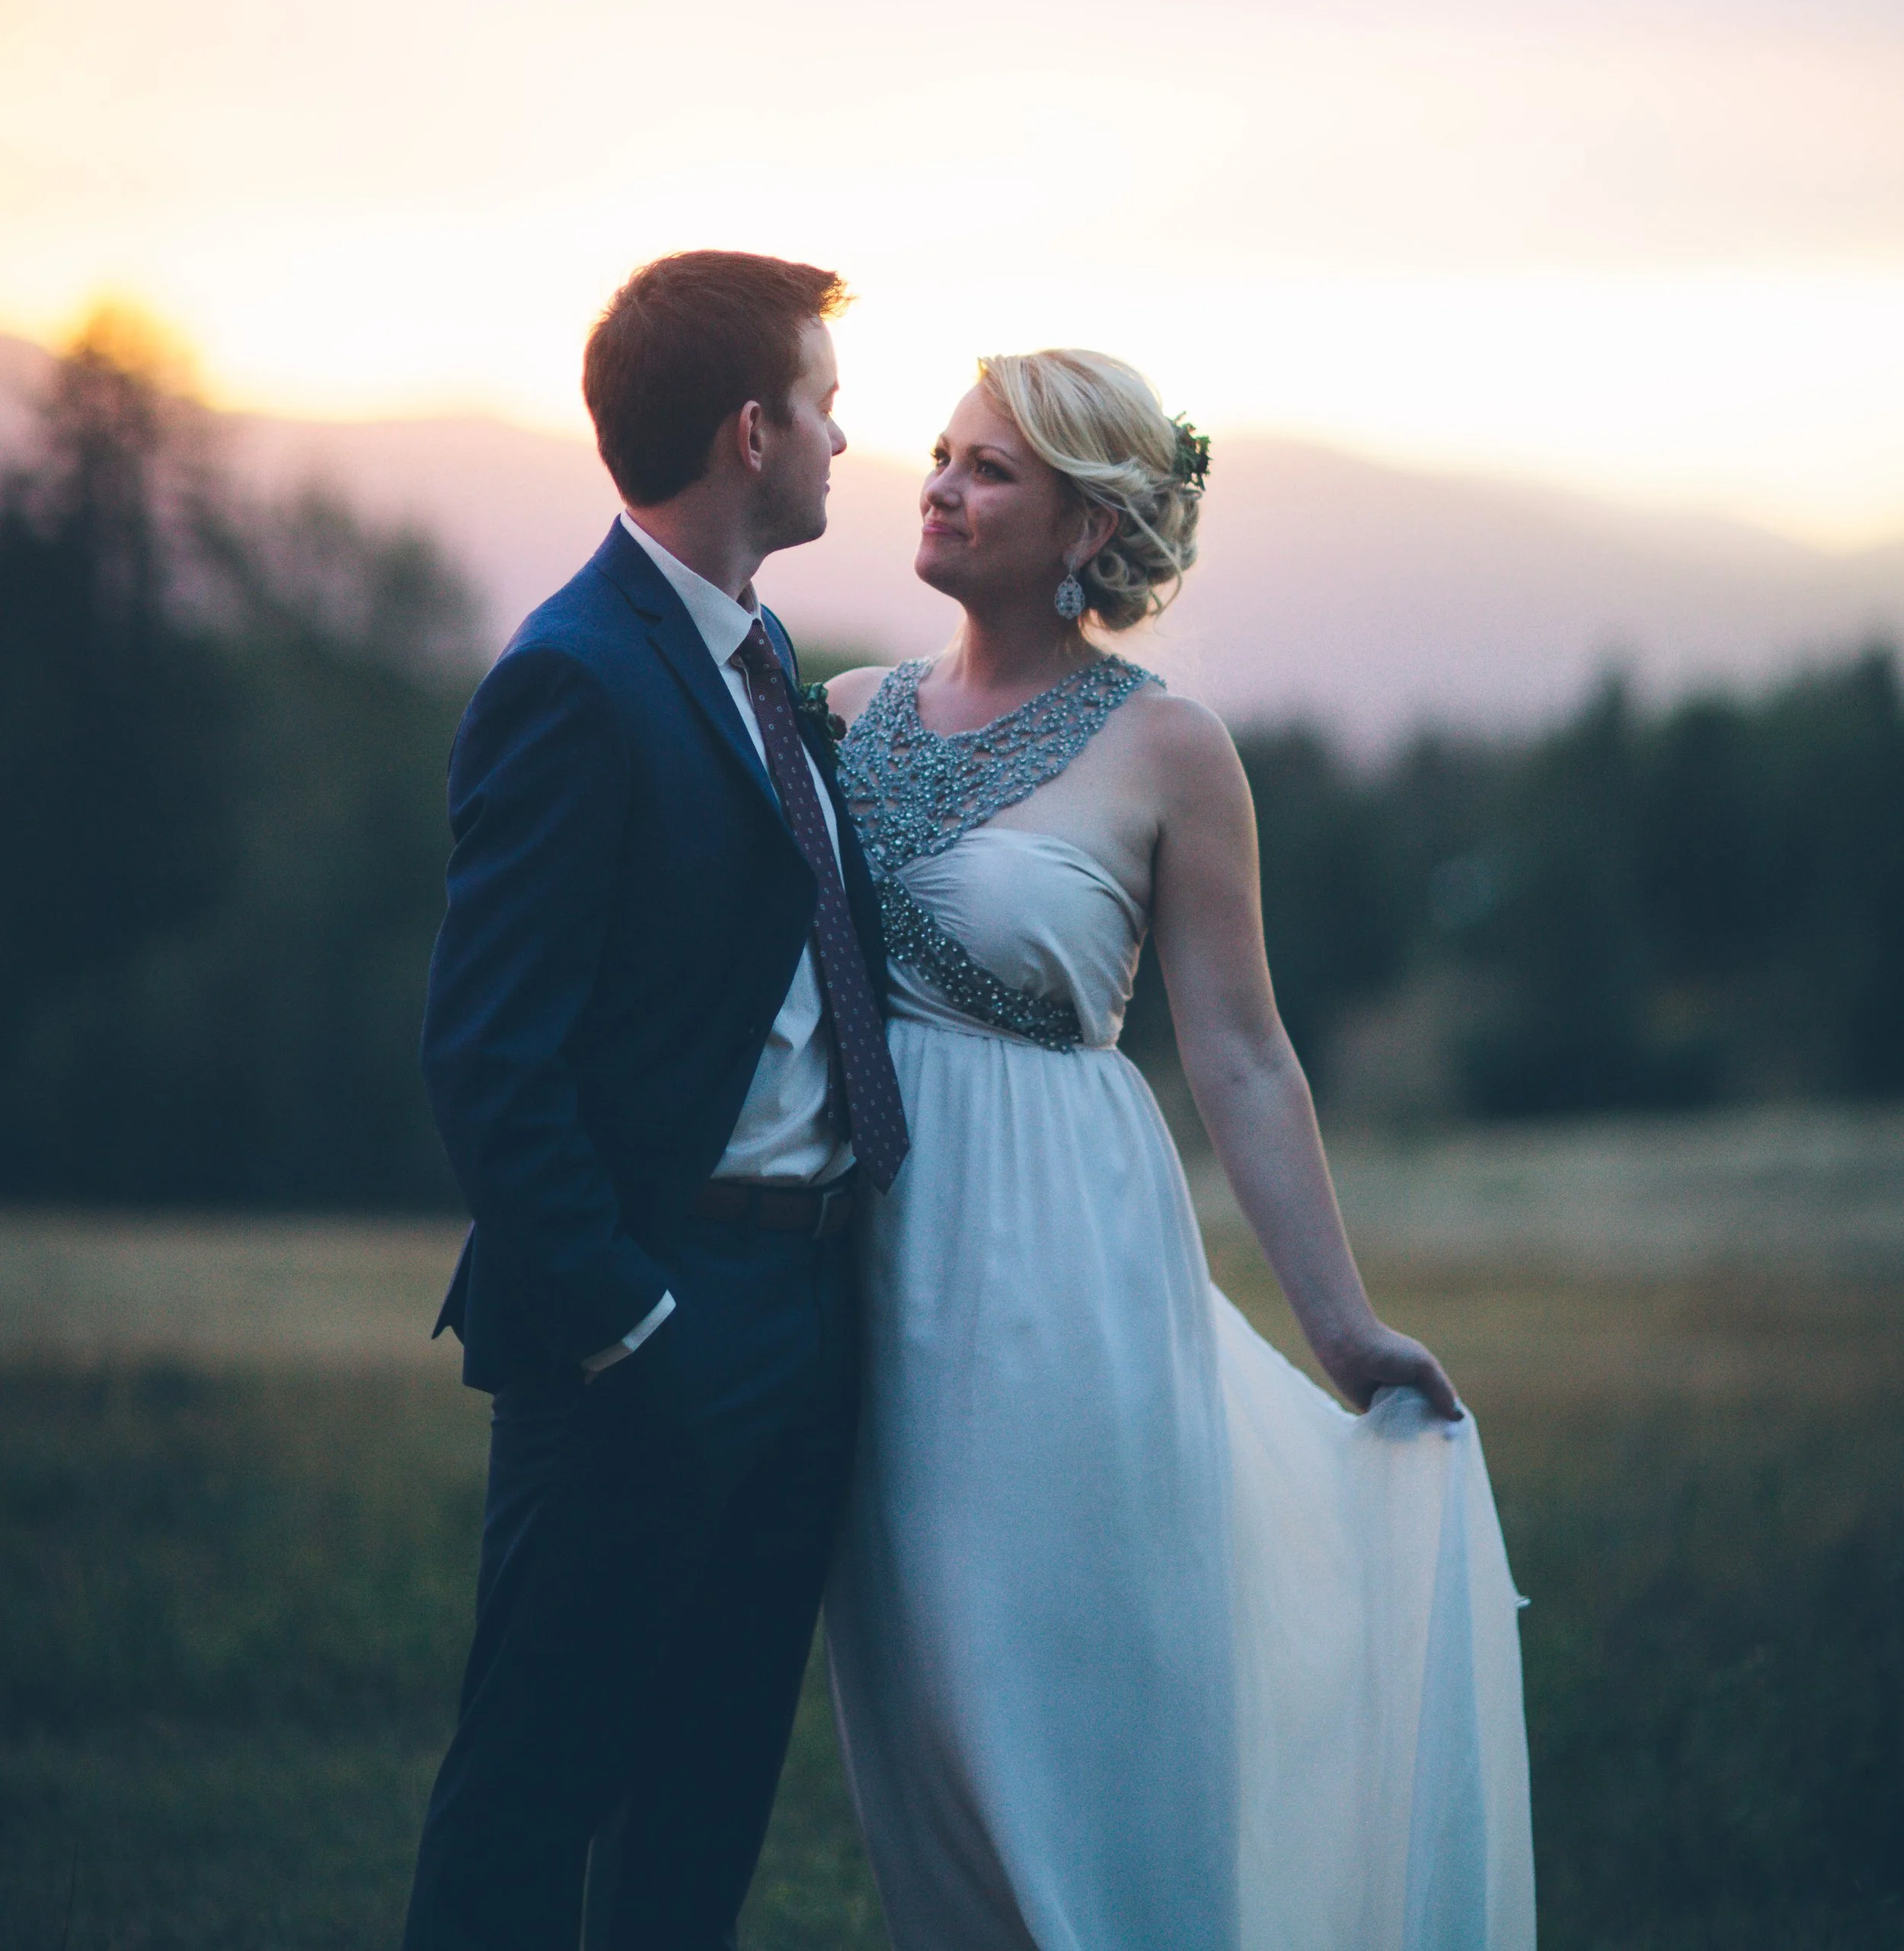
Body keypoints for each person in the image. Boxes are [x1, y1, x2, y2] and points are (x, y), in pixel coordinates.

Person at [822, 348, 1535, 1951]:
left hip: (1063, 1258)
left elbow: (1242, 1054)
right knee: (919, 1710)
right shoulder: (842, 717)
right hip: (861, 1266)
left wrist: (1341, 1327)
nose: (938, 483)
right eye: (937, 453)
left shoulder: (1169, 750)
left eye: (989, 468)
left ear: (1086, 524)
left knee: (1055, 1689)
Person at [404, 249, 909, 1951]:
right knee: (532, 1802)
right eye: (827, 409)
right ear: (751, 432)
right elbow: (488, 1054)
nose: (849, 439)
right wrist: (630, 1321)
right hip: (645, 1324)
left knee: (702, 1815)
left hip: (804, 1311)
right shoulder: (576, 678)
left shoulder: (763, 663)